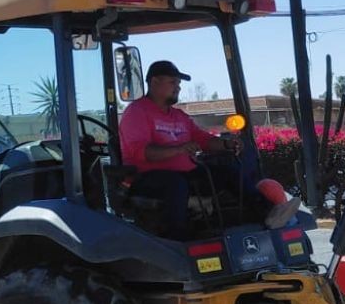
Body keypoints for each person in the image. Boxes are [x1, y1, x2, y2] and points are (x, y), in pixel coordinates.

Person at [118, 60, 299, 236]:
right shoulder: (137, 112)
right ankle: (178, 236)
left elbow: (203, 140)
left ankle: (268, 214)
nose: (178, 87)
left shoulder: (179, 116)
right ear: (154, 81)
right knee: (175, 184)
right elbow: (142, 152)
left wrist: (226, 144)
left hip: (186, 174)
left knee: (229, 172)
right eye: (173, 82)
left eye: (179, 83)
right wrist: (179, 149)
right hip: (147, 178)